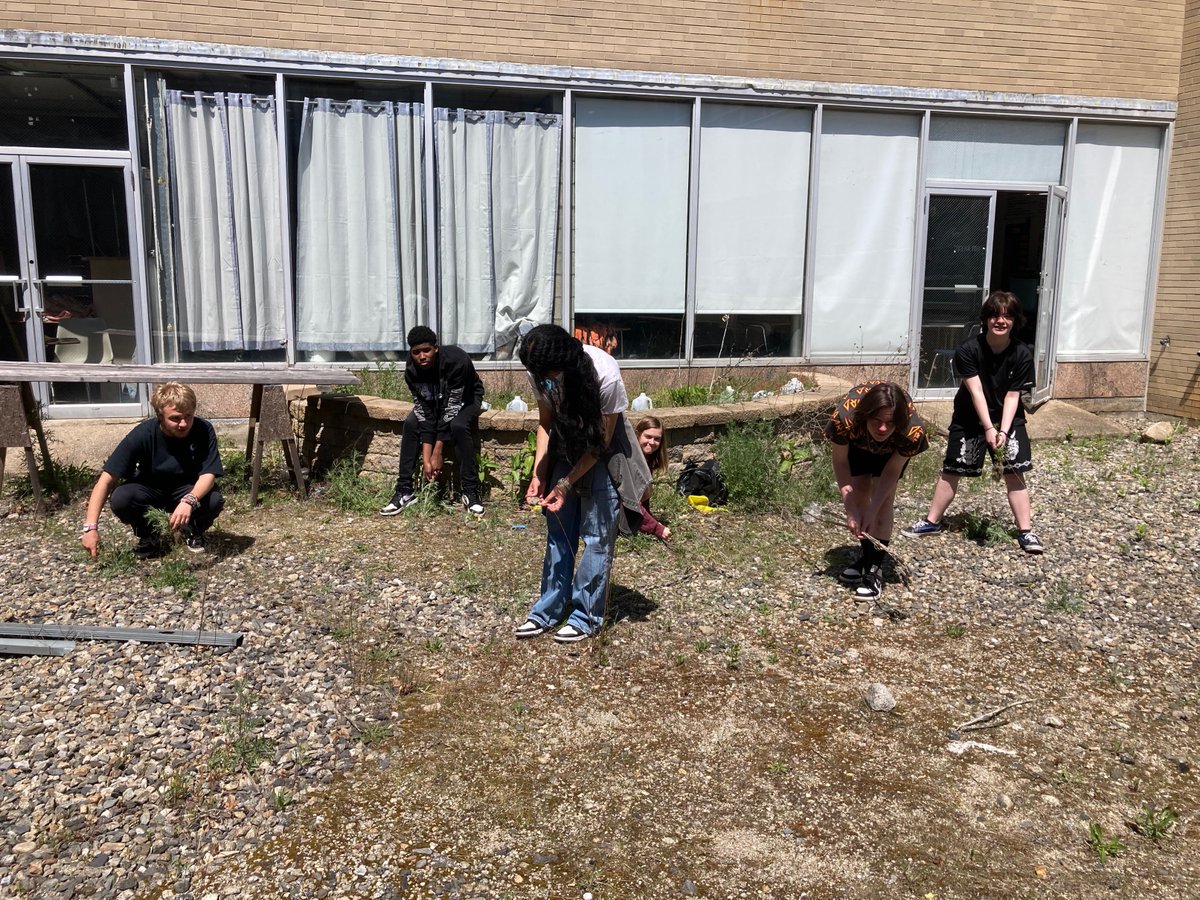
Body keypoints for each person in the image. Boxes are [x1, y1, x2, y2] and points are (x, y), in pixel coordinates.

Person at [514, 324, 650, 644]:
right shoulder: (538, 372)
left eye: (548, 374)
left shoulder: (606, 375)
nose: (541, 380)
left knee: (595, 535)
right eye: (536, 374)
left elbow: (599, 445)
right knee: (558, 530)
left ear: (565, 364)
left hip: (602, 450)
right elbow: (546, 423)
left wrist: (564, 484)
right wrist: (540, 471)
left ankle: (586, 615)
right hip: (566, 443)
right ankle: (547, 610)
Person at [903, 290, 1043, 554]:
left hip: (1008, 419)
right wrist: (987, 427)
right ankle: (932, 521)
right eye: (994, 315)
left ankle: (1026, 531)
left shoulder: (1022, 353)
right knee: (952, 469)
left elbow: (1014, 395)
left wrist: (1002, 430)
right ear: (985, 319)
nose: (1000, 321)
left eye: (1007, 316)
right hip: (969, 417)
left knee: (1014, 471)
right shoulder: (969, 349)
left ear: (1015, 321)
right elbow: (975, 391)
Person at [80, 382, 224, 559]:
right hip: (151, 491)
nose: (184, 423)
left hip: (187, 489)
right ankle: (149, 534)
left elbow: (208, 474)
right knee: (121, 497)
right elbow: (106, 479)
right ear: (160, 416)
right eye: (176, 418)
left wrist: (189, 501)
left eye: (189, 416)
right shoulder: (143, 434)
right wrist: (91, 527)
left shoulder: (203, 429)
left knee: (214, 499)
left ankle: (192, 530)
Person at [825, 380, 929, 601]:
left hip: (891, 451)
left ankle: (874, 569)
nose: (882, 428)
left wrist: (873, 510)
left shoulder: (912, 432)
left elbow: (891, 471)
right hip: (858, 442)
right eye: (877, 420)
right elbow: (840, 461)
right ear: (865, 416)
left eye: (890, 423)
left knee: (883, 501)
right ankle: (865, 557)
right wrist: (850, 507)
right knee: (859, 490)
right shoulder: (844, 419)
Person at [381, 326, 487, 516]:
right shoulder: (412, 371)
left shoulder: (456, 361)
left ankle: (470, 491)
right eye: (416, 352)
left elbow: (452, 408)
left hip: (467, 398)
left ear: (436, 348)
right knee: (411, 423)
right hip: (434, 403)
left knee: (458, 426)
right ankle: (405, 491)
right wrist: (427, 458)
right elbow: (424, 411)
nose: (422, 356)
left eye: (426, 350)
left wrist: (437, 452)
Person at [635, 415, 671, 542]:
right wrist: (657, 528)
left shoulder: (647, 458)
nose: (652, 442)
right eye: (648, 436)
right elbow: (633, 502)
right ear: (638, 434)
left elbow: (642, 495)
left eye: (657, 439)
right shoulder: (632, 461)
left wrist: (650, 518)